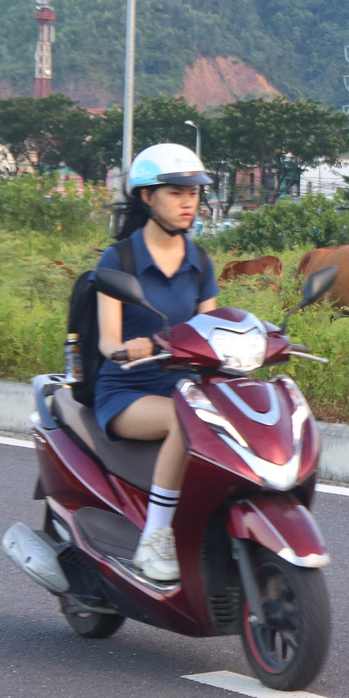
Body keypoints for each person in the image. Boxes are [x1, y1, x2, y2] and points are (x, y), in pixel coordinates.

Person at [95, 143, 218, 585]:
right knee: (188, 421)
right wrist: (132, 348)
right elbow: (108, 340)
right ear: (147, 197)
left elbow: (209, 329)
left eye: (194, 192)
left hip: (182, 387)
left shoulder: (200, 260)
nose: (189, 201)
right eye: (176, 191)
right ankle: (156, 536)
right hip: (127, 390)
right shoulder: (119, 260)